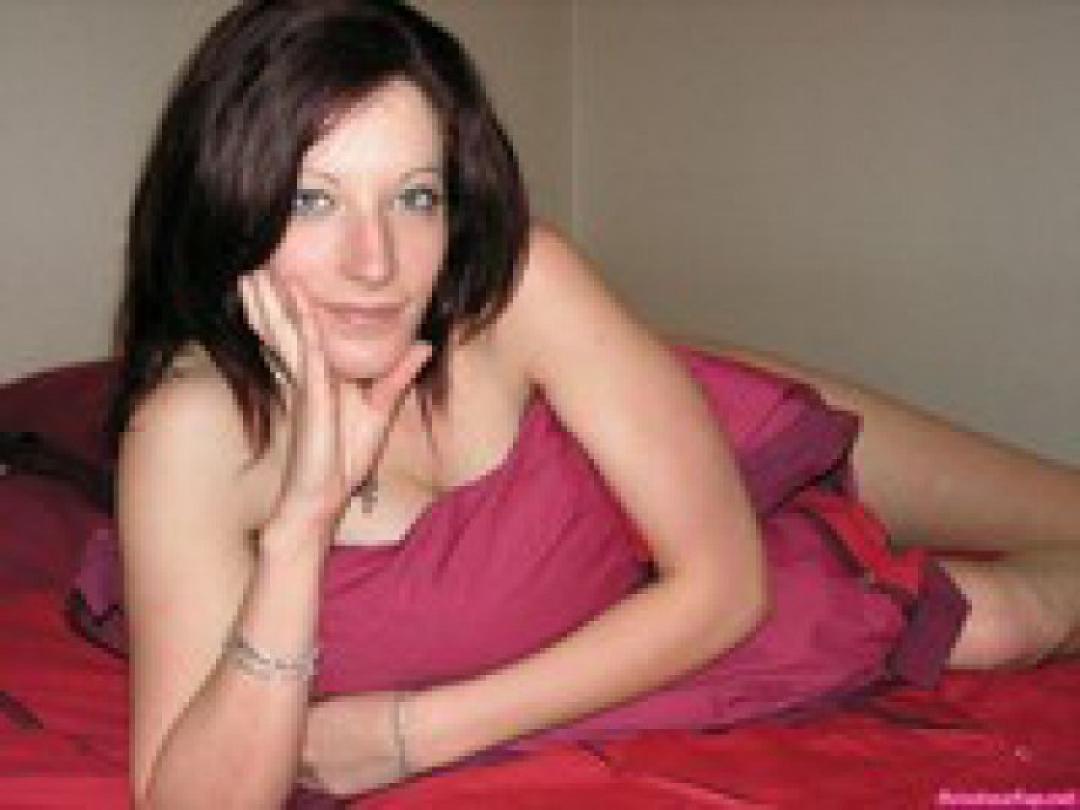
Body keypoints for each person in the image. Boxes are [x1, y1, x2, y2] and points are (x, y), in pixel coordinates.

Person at [100, 0, 1080, 806]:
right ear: (227, 197)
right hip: (631, 606)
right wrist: (301, 528)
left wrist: (412, 734)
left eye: (415, 197)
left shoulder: (521, 287)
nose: (376, 263)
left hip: (687, 444)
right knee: (997, 623)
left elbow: (725, 584)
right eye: (314, 199)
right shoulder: (189, 436)